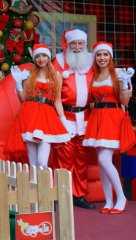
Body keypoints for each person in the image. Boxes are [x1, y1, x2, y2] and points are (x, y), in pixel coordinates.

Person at [82, 42, 135, 214]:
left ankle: (121, 197)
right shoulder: (94, 76)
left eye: (105, 55)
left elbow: (125, 101)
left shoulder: (118, 73)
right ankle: (108, 201)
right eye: (99, 55)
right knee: (102, 162)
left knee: (105, 159)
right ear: (95, 57)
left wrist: (126, 84)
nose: (102, 58)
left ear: (110, 56)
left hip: (113, 118)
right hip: (97, 118)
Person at [51, 29, 97, 209]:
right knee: (64, 158)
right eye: (73, 44)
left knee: (82, 159)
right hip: (65, 116)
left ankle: (78, 195)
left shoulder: (92, 62)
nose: (77, 47)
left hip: (86, 118)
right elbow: (52, 91)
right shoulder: (59, 62)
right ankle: (61, 196)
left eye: (80, 44)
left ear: (84, 44)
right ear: (67, 45)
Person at [8, 44, 71, 168]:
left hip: (47, 118)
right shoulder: (28, 74)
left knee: (42, 161)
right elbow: (23, 99)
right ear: (34, 59)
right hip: (28, 116)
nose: (41, 59)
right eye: (37, 56)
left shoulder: (57, 76)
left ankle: (44, 185)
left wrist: (64, 121)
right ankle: (35, 186)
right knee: (32, 162)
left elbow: (57, 101)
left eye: (44, 56)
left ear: (48, 57)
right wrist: (18, 84)